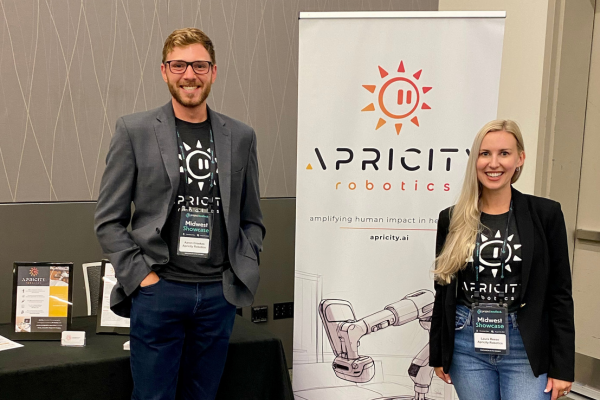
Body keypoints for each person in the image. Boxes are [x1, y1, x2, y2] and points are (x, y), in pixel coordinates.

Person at [94, 27, 265, 400]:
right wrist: (143, 279)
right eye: (179, 65)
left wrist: (243, 262)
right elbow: (108, 220)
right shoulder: (134, 131)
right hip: (160, 291)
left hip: (218, 294)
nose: (190, 75)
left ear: (214, 71)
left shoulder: (241, 136)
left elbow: (252, 218)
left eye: (200, 65)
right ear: (164, 70)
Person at [429, 120, 574, 400]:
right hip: (466, 342)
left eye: (504, 153)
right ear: (475, 160)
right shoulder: (452, 217)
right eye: (484, 154)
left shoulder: (546, 214)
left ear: (520, 158)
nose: (493, 163)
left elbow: (560, 294)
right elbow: (443, 290)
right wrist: (439, 352)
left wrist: (563, 366)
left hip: (525, 344)